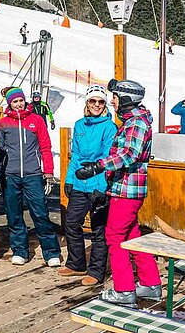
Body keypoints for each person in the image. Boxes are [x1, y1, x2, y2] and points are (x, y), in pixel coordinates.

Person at [75, 78, 162, 306]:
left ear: (125, 99)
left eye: (114, 97)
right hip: (122, 187)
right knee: (131, 235)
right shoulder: (132, 121)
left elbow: (129, 154)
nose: (112, 102)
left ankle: (123, 290)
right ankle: (150, 283)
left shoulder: (137, 123)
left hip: (128, 190)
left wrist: (99, 165)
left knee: (114, 236)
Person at [0, 87, 62, 267]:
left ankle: (51, 252)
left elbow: (45, 148)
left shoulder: (36, 120)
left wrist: (48, 172)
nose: (19, 104)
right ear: (9, 103)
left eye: (21, 100)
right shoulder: (4, 123)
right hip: (11, 175)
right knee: (14, 215)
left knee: (40, 213)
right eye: (15, 101)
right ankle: (20, 250)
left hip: (33, 174)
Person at [59, 85, 117, 286]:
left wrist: (101, 187)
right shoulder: (80, 125)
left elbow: (107, 158)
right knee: (72, 222)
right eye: (93, 101)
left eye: (101, 102)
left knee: (98, 228)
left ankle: (96, 270)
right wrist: (68, 179)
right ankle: (76, 263)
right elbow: (75, 154)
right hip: (79, 181)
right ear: (87, 102)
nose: (97, 105)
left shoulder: (110, 127)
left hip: (98, 182)